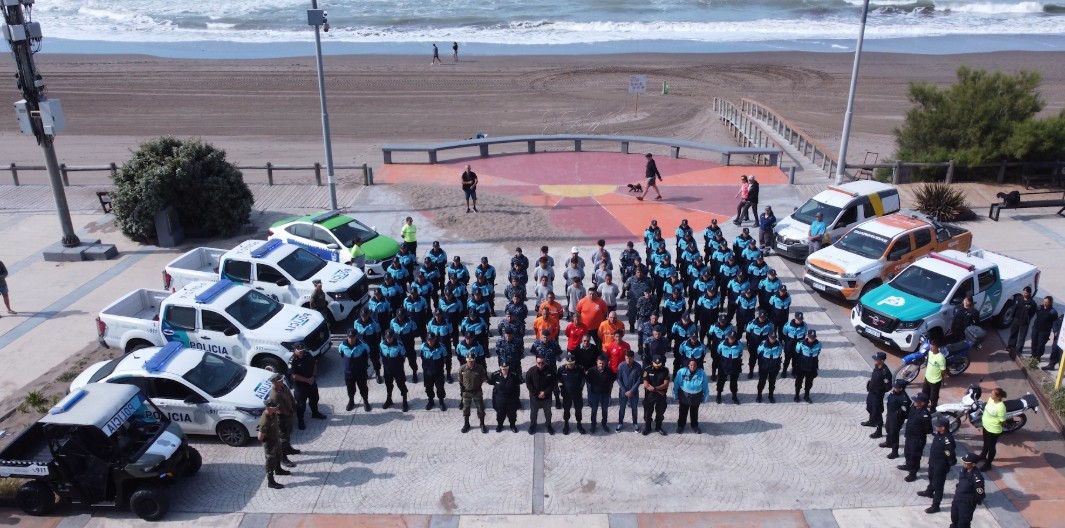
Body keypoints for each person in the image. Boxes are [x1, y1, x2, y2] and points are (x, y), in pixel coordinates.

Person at [918, 416, 957, 514]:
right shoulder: (938, 435)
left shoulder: (947, 440)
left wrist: (947, 465)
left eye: (938, 425)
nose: (936, 426)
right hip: (933, 462)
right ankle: (929, 491)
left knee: (938, 486)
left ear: (943, 427)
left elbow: (950, 454)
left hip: (940, 466)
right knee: (931, 478)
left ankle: (935, 506)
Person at [289, 343, 325, 430]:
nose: (301, 352)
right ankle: (300, 420)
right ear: (295, 350)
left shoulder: (307, 354)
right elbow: (294, 375)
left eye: (302, 350)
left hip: (311, 382)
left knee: (315, 398)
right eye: (299, 351)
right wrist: (307, 380)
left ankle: (315, 413)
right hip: (300, 386)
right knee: (301, 405)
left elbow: (314, 365)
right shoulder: (292, 361)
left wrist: (313, 376)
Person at [266, 374, 299, 466]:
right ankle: (283, 458)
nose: (282, 381)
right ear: (275, 382)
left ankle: (288, 449)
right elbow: (280, 409)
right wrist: (290, 414)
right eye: (280, 380)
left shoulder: (283, 386)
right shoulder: (274, 395)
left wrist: (294, 408)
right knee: (283, 439)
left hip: (289, 415)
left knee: (288, 434)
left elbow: (290, 397)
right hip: (282, 418)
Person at [900, 392, 933, 482]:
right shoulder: (913, 408)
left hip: (917, 439)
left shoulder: (925, 415)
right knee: (907, 453)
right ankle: (908, 465)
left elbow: (928, 430)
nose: (914, 402)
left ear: (922, 403)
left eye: (916, 401)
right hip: (909, 436)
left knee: (915, 456)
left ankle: (913, 473)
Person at [258, 402, 289, 489]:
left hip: (275, 439)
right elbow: (260, 437)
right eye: (275, 407)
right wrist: (268, 440)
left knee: (278, 454)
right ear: (268, 408)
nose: (276, 409)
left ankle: (278, 470)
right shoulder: (265, 420)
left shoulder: (273, 413)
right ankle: (271, 482)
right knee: (270, 461)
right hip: (269, 443)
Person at [674, 358, 709, 434]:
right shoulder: (682, 372)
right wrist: (675, 393)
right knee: (683, 412)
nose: (693, 367)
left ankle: (694, 426)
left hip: (696, 396)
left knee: (694, 412)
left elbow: (705, 384)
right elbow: (676, 383)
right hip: (684, 395)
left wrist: (706, 396)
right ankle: (681, 426)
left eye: (694, 365)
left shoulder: (701, 373)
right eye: (691, 365)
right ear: (688, 365)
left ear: (697, 366)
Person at [339, 330, 371, 412]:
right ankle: (351, 401)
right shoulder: (342, 346)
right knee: (350, 388)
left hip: (360, 372)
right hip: (348, 372)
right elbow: (341, 354)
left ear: (356, 336)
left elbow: (367, 353)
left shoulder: (363, 345)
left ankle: (365, 401)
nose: (351, 339)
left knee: (363, 388)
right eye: (349, 337)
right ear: (347, 337)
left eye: (352, 337)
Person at [951, 454, 986, 528]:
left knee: (963, 523)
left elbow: (980, 494)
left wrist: (971, 501)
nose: (964, 463)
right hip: (957, 498)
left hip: (966, 503)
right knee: (954, 518)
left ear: (973, 464)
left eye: (966, 462)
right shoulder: (964, 470)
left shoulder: (977, 478)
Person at [863, 352, 893, 438]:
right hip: (871, 392)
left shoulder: (885, 372)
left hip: (877, 395)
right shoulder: (876, 367)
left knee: (877, 412)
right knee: (869, 407)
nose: (874, 360)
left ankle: (879, 431)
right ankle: (871, 422)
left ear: (882, 361)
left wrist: (879, 391)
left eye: (876, 359)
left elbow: (888, 387)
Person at [880, 379, 911, 459]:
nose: (894, 388)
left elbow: (906, 412)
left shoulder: (904, 398)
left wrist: (899, 417)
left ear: (901, 388)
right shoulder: (894, 393)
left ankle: (895, 451)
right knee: (888, 428)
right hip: (890, 414)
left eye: (896, 387)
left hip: (897, 418)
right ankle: (888, 442)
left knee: (894, 433)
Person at [526, 354, 557, 435]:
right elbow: (529, 384)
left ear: (545, 362)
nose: (541, 364)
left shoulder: (550, 370)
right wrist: (537, 393)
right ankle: (533, 425)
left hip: (547, 397)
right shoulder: (531, 371)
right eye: (539, 363)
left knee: (548, 412)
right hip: (535, 398)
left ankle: (548, 425)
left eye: (542, 363)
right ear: (536, 362)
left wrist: (545, 392)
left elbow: (553, 383)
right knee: (533, 412)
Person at [380, 330, 410, 412]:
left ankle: (405, 401)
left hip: (397, 369)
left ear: (393, 336)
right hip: (387, 369)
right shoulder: (382, 344)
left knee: (401, 384)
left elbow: (403, 355)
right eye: (387, 337)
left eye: (390, 337)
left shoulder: (399, 345)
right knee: (388, 385)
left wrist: (398, 364)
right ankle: (389, 399)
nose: (389, 339)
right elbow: (381, 354)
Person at [458, 352, 488, 433]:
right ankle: (466, 424)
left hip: (477, 391)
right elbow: (460, 378)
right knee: (466, 409)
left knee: (480, 408)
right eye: (469, 361)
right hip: (466, 392)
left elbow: (483, 378)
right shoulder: (462, 368)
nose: (470, 362)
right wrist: (465, 385)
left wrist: (477, 384)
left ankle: (482, 424)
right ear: (466, 360)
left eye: (472, 361)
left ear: (474, 360)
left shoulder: (480, 368)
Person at [978, 387, 1006, 471]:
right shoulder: (991, 399)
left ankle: (988, 464)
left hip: (993, 430)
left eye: (993, 394)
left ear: (998, 397)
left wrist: (994, 423)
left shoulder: (1001, 407)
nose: (991, 395)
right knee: (986, 443)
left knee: (991, 447)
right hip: (986, 426)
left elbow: (1002, 421)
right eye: (991, 393)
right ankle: (983, 456)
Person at [488, 363, 522, 432]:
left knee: (512, 414)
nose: (504, 370)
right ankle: (500, 425)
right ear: (500, 368)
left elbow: (518, 385)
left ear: (508, 368)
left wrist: (517, 400)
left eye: (506, 369)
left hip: (511, 399)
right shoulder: (495, 375)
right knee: (500, 414)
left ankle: (512, 425)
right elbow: (491, 382)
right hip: (500, 399)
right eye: (503, 369)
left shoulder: (514, 375)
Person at [586, 355, 616, 433]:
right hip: (594, 394)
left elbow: (611, 381)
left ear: (605, 363)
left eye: (603, 363)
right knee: (594, 410)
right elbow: (588, 381)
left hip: (605, 394)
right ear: (597, 362)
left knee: (605, 410)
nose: (601, 365)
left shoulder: (609, 371)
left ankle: (604, 424)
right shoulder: (591, 371)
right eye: (600, 363)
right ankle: (593, 425)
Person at [558, 354, 587, 435]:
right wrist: (561, 386)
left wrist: (581, 387)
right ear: (566, 362)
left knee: (578, 409)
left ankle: (579, 424)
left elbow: (583, 378)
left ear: (574, 363)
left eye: (572, 363)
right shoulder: (561, 369)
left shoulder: (580, 369)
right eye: (569, 363)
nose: (570, 365)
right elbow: (558, 378)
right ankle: (566, 424)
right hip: (566, 394)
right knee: (566, 409)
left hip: (577, 393)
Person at [641, 355, 670, 435]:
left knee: (660, 412)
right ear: (652, 362)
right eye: (655, 364)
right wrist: (658, 390)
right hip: (650, 395)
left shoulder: (665, 370)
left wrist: (654, 389)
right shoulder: (647, 370)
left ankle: (658, 427)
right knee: (647, 413)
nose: (657, 365)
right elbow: (646, 384)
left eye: (659, 364)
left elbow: (666, 384)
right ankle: (647, 427)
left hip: (661, 396)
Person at [1006, 286, 1037, 357]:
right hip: (1016, 319)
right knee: (1013, 333)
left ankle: (1018, 350)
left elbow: (1032, 313)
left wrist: (1027, 319)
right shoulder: (1019, 298)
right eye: (1023, 292)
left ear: (1029, 293)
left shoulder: (1032, 303)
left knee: (1022, 337)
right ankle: (1011, 346)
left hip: (1024, 322)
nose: (1024, 294)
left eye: (1025, 293)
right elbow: (1015, 307)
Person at [616, 349, 642, 432]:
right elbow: (619, 379)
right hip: (623, 392)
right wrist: (625, 390)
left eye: (630, 358)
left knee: (634, 408)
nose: (628, 360)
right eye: (626, 358)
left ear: (633, 357)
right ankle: (620, 423)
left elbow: (639, 380)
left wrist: (631, 391)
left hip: (634, 392)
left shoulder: (638, 366)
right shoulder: (621, 366)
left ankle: (635, 423)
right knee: (622, 408)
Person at [421, 333, 448, 411]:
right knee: (428, 387)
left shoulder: (441, 347)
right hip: (427, 372)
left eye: (431, 340)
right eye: (428, 340)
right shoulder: (423, 347)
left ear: (435, 339)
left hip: (438, 372)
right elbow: (422, 357)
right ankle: (430, 401)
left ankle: (441, 401)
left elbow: (445, 357)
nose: (430, 341)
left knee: (440, 387)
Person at [793, 330, 821, 403]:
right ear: (807, 336)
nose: (812, 339)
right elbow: (797, 353)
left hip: (812, 365)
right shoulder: (801, 344)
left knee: (809, 382)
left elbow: (818, 352)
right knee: (799, 381)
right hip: (802, 365)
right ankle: (797, 395)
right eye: (811, 337)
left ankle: (806, 395)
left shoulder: (819, 344)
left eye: (813, 337)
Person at [715, 331, 743, 404]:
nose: (732, 340)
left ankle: (734, 396)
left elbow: (740, 354)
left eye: (733, 338)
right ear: (728, 337)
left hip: (734, 366)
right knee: (721, 381)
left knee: (734, 382)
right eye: (730, 338)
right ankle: (719, 394)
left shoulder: (739, 345)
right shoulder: (722, 345)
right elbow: (718, 353)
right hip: (723, 367)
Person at [755, 333, 783, 403]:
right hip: (764, 367)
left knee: (772, 382)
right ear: (768, 337)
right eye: (771, 338)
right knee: (762, 381)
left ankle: (771, 395)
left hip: (774, 367)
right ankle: (759, 395)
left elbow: (779, 354)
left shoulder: (779, 345)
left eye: (774, 338)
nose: (772, 339)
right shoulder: (763, 344)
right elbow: (759, 353)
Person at [1031, 296, 1059, 361]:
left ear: (1050, 303)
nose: (1044, 304)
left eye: (1046, 302)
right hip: (1036, 328)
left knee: (1040, 345)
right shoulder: (1039, 308)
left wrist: (1055, 331)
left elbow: (1055, 322)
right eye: (1044, 302)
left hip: (1044, 331)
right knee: (1034, 342)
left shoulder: (1053, 312)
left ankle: (1038, 357)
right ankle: (1033, 355)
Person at [922, 342, 946, 411]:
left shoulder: (941, 358)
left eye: (932, 347)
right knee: (924, 394)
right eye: (930, 346)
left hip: (935, 381)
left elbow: (943, 370)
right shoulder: (930, 352)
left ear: (937, 347)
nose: (930, 348)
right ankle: (924, 407)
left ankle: (932, 411)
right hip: (927, 378)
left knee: (933, 398)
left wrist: (940, 379)